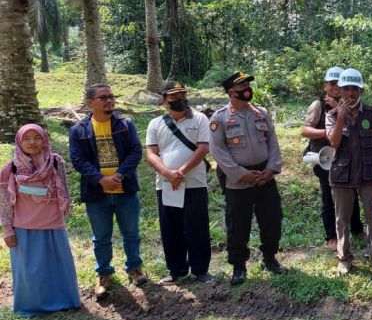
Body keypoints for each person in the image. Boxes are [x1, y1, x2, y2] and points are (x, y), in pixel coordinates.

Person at [70, 84, 148, 299]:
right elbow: (77, 159)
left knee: (131, 233)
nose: (109, 100)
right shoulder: (79, 130)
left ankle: (134, 268)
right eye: (103, 97)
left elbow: (135, 151)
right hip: (97, 194)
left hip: (126, 191)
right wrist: (101, 180)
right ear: (90, 103)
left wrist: (119, 176)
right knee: (101, 237)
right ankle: (104, 274)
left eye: (111, 96)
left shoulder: (125, 124)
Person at [209, 71, 284, 285]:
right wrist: (243, 174)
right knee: (238, 224)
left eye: (248, 85)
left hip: (265, 176)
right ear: (231, 92)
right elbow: (218, 152)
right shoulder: (220, 118)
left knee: (272, 219)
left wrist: (271, 169)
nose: (247, 90)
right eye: (242, 87)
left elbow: (273, 143)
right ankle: (239, 266)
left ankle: (269, 257)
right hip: (237, 179)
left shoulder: (261, 113)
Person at [0, 124, 81, 316]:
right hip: (23, 227)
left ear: (44, 139)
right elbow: (4, 202)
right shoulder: (10, 168)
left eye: (36, 137)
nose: (32, 142)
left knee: (58, 267)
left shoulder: (55, 162)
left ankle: (65, 302)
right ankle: (32, 306)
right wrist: (7, 230)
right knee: (30, 272)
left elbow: (64, 192)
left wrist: (63, 213)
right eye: (27, 138)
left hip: (53, 224)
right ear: (19, 142)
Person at [145, 80, 213, 284]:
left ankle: (201, 270)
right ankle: (177, 270)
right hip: (166, 184)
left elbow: (203, 148)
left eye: (182, 95)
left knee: (197, 227)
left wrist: (180, 172)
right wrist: (168, 173)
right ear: (164, 100)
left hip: (194, 183)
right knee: (171, 228)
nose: (180, 99)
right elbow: (151, 153)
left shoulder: (200, 119)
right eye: (174, 97)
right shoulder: (155, 124)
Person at [326, 68, 372, 274]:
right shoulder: (332, 115)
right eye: (346, 89)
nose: (350, 93)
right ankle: (344, 258)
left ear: (361, 90)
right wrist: (342, 116)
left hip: (369, 174)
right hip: (341, 175)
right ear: (340, 91)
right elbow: (333, 143)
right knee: (342, 219)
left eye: (354, 88)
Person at [300, 66, 365, 250]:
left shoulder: (350, 104)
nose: (336, 87)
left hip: (347, 159)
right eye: (332, 83)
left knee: (351, 194)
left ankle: (357, 229)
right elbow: (305, 130)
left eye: (339, 83)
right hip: (325, 160)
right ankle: (331, 236)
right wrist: (328, 132)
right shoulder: (318, 105)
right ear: (325, 85)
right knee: (329, 197)